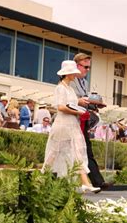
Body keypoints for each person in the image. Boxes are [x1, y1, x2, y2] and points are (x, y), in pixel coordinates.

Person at [42, 60, 100, 193]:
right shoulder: (60, 88)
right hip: (63, 124)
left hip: (72, 124)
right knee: (54, 153)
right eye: (73, 73)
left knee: (78, 152)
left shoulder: (69, 89)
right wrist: (78, 112)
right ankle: (41, 178)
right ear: (67, 74)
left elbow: (71, 104)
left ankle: (86, 182)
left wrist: (79, 107)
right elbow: (61, 107)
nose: (75, 75)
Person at [70, 53, 111, 190]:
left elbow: (84, 100)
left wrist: (94, 105)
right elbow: (66, 101)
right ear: (77, 65)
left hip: (81, 120)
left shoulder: (84, 82)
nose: (87, 70)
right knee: (62, 152)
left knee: (87, 150)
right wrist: (80, 101)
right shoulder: (69, 80)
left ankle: (97, 181)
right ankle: (50, 180)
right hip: (71, 121)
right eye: (86, 67)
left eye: (89, 68)